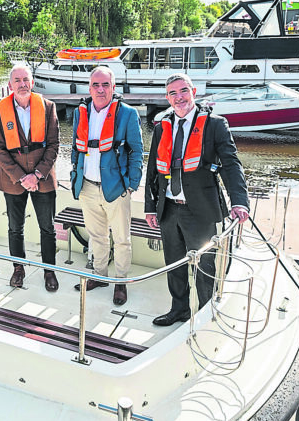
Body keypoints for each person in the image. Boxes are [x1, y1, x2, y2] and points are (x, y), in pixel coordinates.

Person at [144, 73, 250, 327]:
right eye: (172, 93)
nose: (178, 98)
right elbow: (152, 170)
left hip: (201, 210)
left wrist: (239, 201)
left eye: (183, 91)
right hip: (169, 208)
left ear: (193, 91)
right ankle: (179, 309)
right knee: (174, 264)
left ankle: (205, 315)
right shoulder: (162, 126)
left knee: (205, 266)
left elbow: (231, 164)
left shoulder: (215, 125)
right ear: (166, 97)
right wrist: (150, 206)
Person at [69, 66, 144, 306]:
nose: (100, 90)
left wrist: (132, 184)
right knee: (96, 235)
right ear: (89, 87)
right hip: (87, 186)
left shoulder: (128, 114)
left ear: (114, 87)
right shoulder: (80, 113)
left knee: (122, 238)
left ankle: (120, 281)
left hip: (116, 187)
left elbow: (137, 151)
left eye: (105, 85)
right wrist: (74, 174)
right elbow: (74, 148)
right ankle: (99, 275)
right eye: (95, 85)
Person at [0, 65, 60, 291]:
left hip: (44, 178)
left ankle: (49, 271)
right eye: (17, 80)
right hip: (13, 180)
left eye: (25, 79)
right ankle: (18, 269)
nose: (22, 84)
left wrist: (38, 174)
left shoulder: (48, 108)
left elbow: (53, 145)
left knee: (47, 227)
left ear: (32, 82)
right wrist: (22, 177)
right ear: (10, 85)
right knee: (14, 228)